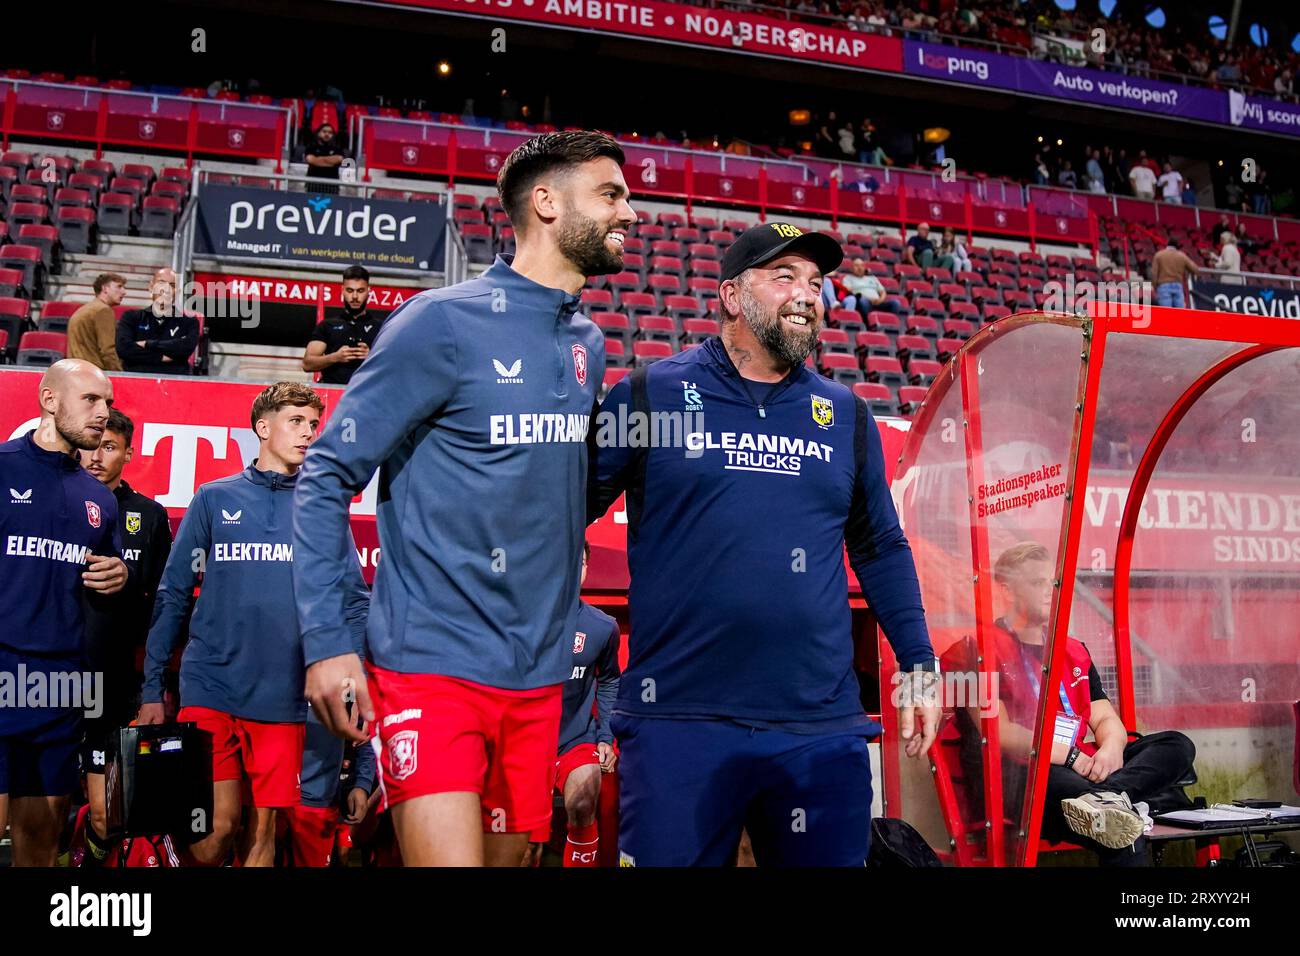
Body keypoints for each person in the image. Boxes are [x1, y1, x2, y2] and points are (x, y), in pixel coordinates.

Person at [293, 131, 628, 867]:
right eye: (610, 194)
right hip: (433, 665)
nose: (628, 212)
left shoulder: (589, 343)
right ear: (546, 202)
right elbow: (324, 477)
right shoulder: (438, 322)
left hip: (539, 679)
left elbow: (550, 493)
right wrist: (328, 643)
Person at [588, 222, 941, 866]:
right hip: (679, 723)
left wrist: (919, 664)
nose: (807, 293)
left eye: (815, 282)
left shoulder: (847, 414)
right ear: (731, 295)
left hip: (819, 729)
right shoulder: (649, 394)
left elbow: (881, 547)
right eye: (785, 278)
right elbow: (563, 514)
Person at [138, 382, 370, 867]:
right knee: (213, 832)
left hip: (285, 697)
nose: (309, 433)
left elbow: (353, 602)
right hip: (211, 686)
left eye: (313, 424)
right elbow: (173, 594)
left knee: (263, 833)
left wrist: (353, 678)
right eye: (296, 422)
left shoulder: (324, 512)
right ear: (263, 428)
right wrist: (151, 688)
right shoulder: (213, 498)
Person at [986, 543, 1196, 865]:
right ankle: (1110, 802)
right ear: (1007, 590)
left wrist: (1112, 747)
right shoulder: (981, 648)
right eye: (1037, 582)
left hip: (1088, 769)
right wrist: (1069, 757)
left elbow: (1105, 719)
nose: (1050, 591)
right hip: (1033, 775)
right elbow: (999, 732)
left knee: (1177, 745)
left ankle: (1108, 797)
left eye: (1053, 582)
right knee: (1119, 831)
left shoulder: (1072, 650)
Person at [0, 360, 127, 866]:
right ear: (49, 401)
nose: (103, 413)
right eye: (91, 400)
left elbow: (101, 576)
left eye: (108, 403)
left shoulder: (99, 498)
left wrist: (117, 576)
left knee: (40, 840)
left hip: (59, 684)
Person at [76, 408, 172, 866]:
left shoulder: (149, 516)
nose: (96, 456)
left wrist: (150, 683)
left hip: (112, 686)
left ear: (129, 454)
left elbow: (165, 606)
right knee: (38, 807)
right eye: (92, 445)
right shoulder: (56, 503)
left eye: (109, 447)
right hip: (46, 679)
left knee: (105, 814)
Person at [525, 541, 621, 867]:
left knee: (582, 800)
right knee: (521, 842)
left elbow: (609, 679)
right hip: (524, 745)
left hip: (574, 742)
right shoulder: (521, 624)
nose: (573, 570)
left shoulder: (602, 627)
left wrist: (606, 735)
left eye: (580, 563)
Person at [282, 716, 377, 867]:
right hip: (274, 788)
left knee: (341, 856)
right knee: (260, 850)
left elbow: (366, 737)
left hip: (319, 798)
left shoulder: (354, 697)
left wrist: (362, 784)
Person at [302, 265, 384, 386]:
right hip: (332, 395)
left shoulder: (381, 327)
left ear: (368, 291)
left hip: (367, 394)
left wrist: (371, 357)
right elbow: (307, 364)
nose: (355, 297)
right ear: (342, 290)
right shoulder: (327, 325)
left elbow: (394, 366)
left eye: (360, 291)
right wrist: (335, 357)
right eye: (350, 290)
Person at [114, 267, 199, 375]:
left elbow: (185, 348)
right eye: (161, 283)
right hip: (136, 383)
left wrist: (147, 344)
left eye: (172, 285)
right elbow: (123, 349)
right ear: (151, 287)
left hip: (174, 385)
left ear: (177, 291)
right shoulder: (131, 317)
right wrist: (160, 357)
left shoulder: (189, 322)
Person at [67, 274, 126, 371]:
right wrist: (120, 375)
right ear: (105, 288)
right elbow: (107, 350)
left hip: (76, 371)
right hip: (93, 374)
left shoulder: (84, 309)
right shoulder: (103, 311)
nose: (124, 292)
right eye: (119, 286)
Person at [1150, 238, 1197, 308]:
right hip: (1177, 286)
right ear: (1177, 246)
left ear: (1167, 245)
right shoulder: (1182, 256)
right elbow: (1194, 268)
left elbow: (1154, 273)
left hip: (1163, 286)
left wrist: (1154, 286)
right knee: (1178, 314)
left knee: (1165, 314)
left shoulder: (1159, 255)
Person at [305, 123, 346, 194]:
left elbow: (339, 159)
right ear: (318, 133)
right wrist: (330, 161)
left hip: (332, 187)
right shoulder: (311, 148)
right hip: (313, 186)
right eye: (324, 131)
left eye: (330, 132)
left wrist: (318, 159)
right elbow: (311, 160)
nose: (327, 134)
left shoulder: (338, 149)